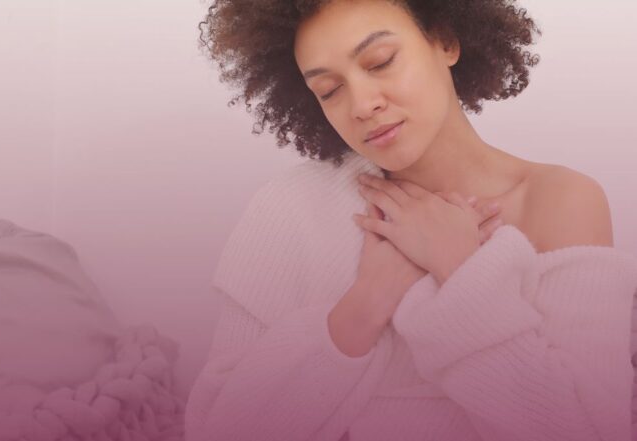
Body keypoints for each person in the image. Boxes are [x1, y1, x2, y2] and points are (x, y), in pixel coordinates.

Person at [186, 0, 637, 440]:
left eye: (380, 62)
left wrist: (463, 272)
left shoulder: (559, 202)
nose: (362, 104)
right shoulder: (290, 209)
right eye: (329, 90)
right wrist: (365, 304)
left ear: (444, 40)